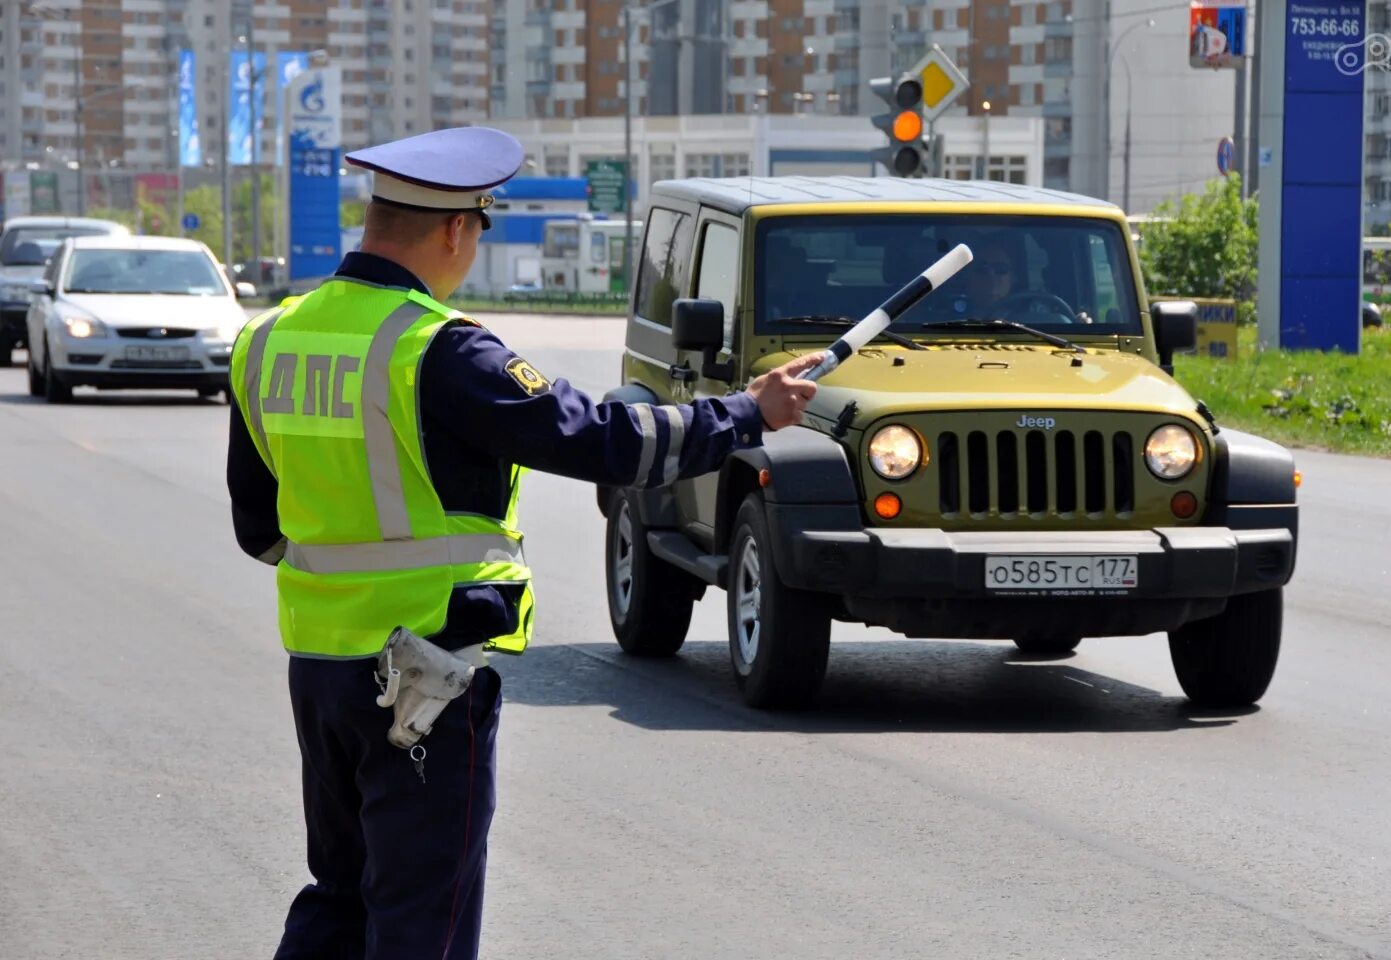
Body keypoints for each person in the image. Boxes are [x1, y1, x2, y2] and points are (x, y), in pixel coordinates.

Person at [225, 126, 824, 960]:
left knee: (340, 898)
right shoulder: (437, 348)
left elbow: (259, 530)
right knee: (419, 919)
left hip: (320, 672)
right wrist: (748, 412)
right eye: (479, 228)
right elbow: (610, 442)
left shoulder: (269, 340)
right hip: (421, 681)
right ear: (454, 230)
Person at [958, 236, 1018, 319]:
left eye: (1001, 269)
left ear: (1012, 278)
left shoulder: (1032, 320)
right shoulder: (944, 321)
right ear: (966, 277)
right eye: (981, 269)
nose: (991, 278)